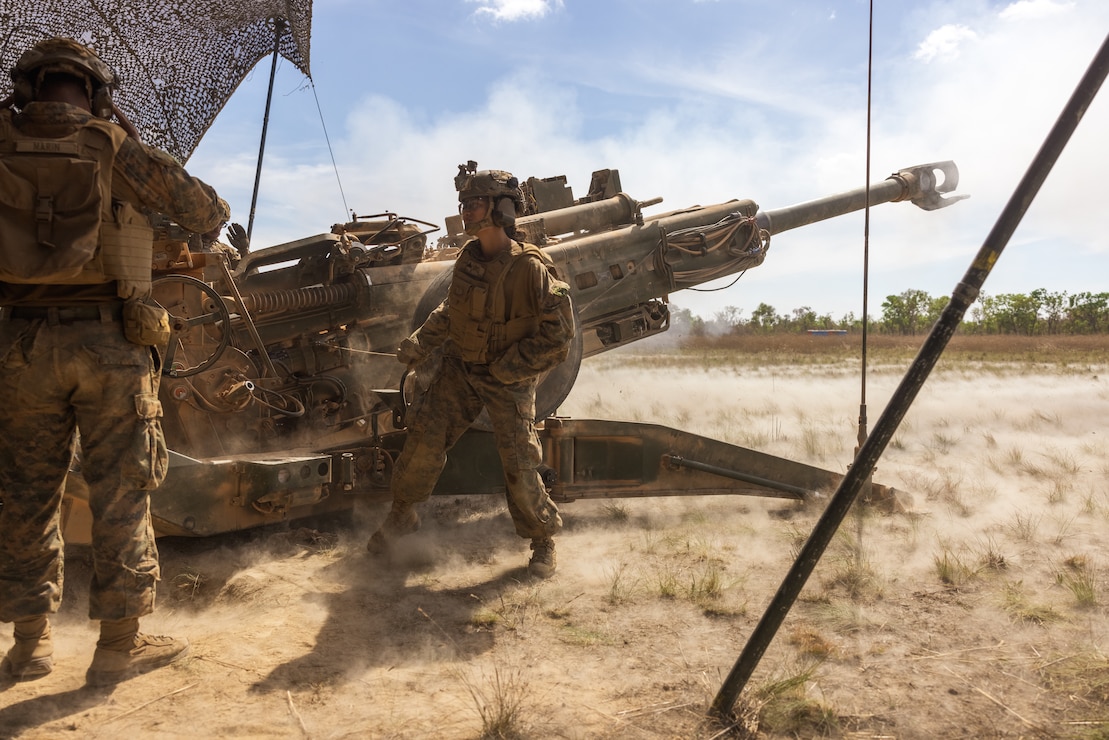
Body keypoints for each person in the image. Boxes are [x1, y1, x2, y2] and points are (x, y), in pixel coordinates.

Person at [0, 37, 229, 685]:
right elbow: (209, 213)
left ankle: (29, 646)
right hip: (112, 344)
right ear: (97, 91)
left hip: (20, 345)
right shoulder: (115, 149)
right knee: (122, 497)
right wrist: (127, 139)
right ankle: (117, 649)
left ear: (25, 87)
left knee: (25, 498)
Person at [367, 162, 574, 578]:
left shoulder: (531, 267)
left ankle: (542, 541)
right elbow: (451, 310)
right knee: (423, 443)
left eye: (475, 203)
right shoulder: (468, 259)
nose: (466, 211)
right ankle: (402, 516)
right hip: (461, 371)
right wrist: (419, 344)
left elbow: (560, 336)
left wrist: (509, 368)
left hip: (508, 379)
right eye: (464, 204)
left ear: (501, 209)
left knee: (519, 462)